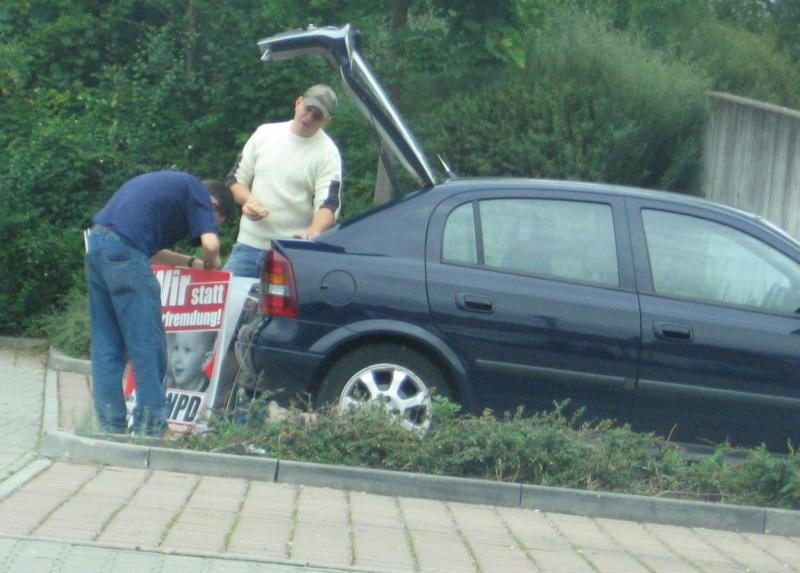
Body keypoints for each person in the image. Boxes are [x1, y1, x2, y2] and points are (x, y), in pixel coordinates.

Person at [85, 171, 234, 435]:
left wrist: (192, 263)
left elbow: (149, 252)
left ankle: (111, 429)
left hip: (96, 247)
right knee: (149, 345)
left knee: (108, 344)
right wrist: (211, 260)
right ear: (212, 204)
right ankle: (151, 427)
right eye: (214, 221)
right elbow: (210, 244)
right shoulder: (197, 192)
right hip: (125, 254)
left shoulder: (165, 194)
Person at [224, 84, 343, 278]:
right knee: (225, 303)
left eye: (318, 116)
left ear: (327, 121)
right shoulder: (264, 133)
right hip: (248, 246)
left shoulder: (328, 154)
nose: (310, 117)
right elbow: (234, 180)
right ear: (298, 103)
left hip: (289, 254)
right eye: (308, 109)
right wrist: (248, 201)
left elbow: (329, 203)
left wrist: (314, 231)